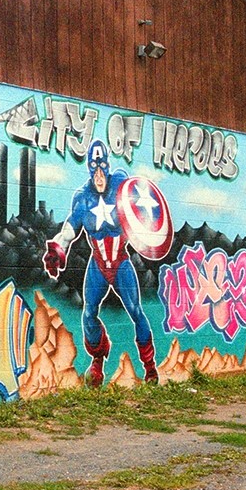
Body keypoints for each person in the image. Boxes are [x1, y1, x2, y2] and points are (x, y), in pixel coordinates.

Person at [42, 139, 158, 386]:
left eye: (101, 167)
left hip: (120, 262)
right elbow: (70, 228)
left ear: (107, 166)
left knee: (136, 311)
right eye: (93, 169)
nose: (98, 175)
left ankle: (149, 367)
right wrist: (58, 249)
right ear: (88, 170)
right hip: (97, 265)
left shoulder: (121, 185)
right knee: (88, 314)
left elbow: (143, 207)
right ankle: (97, 360)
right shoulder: (83, 198)